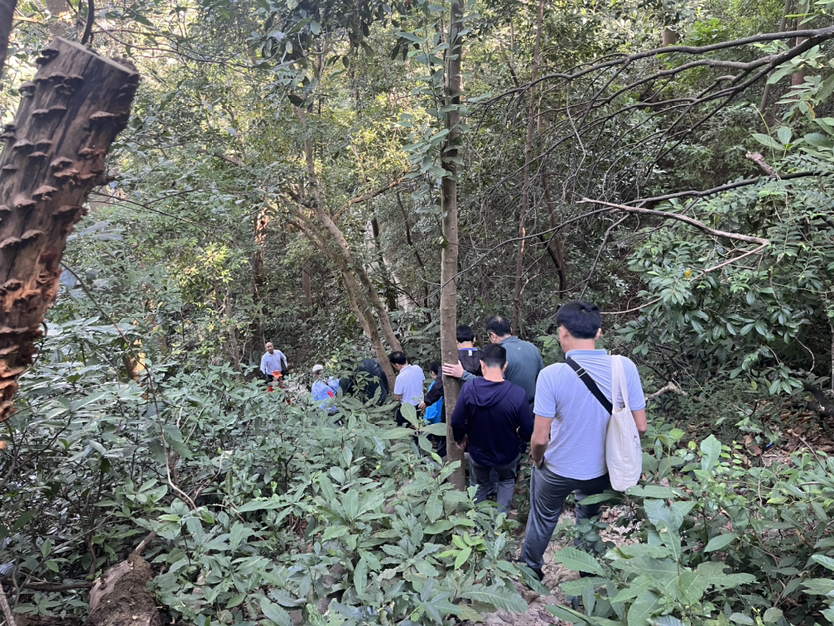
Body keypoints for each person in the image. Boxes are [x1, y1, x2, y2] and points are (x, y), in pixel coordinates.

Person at [520, 301, 648, 581]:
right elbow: (640, 426)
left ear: (562, 332)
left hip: (557, 469)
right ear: (598, 333)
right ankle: (588, 576)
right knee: (589, 520)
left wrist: (538, 459)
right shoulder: (624, 367)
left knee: (543, 519)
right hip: (602, 470)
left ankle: (530, 571)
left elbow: (540, 438)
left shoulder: (551, 375)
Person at [451, 343, 533, 513]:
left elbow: (456, 420)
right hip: (508, 453)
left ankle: (480, 524)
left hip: (478, 451)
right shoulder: (517, 394)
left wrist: (460, 438)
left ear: (482, 364)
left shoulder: (468, 389)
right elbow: (528, 428)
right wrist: (520, 436)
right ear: (505, 366)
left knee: (479, 484)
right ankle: (499, 523)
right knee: (506, 481)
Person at [443, 316, 543, 406]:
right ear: (510, 330)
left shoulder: (498, 353)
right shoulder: (532, 347)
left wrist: (462, 374)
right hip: (531, 408)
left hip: (509, 408)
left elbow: (490, 385)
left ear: (493, 335)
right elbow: (541, 379)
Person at [390, 351, 424, 426]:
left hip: (407, 408)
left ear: (397, 365)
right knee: (417, 425)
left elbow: (397, 397)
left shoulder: (400, 377)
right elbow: (422, 382)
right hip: (420, 404)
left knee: (404, 426)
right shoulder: (417, 368)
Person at [421, 362, 447, 457]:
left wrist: (427, 420)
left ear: (432, 373)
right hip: (444, 421)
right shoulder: (449, 385)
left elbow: (432, 409)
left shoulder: (434, 387)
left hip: (436, 422)